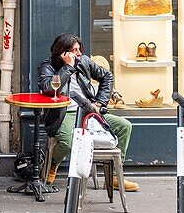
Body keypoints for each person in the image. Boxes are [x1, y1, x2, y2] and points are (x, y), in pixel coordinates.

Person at [39, 33, 138, 192]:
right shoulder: (48, 66)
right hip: (64, 113)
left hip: (88, 109)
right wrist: (68, 68)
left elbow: (107, 76)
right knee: (68, 143)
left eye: (79, 49)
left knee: (124, 126)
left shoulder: (84, 61)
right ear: (62, 52)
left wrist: (99, 102)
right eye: (73, 50)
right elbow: (49, 89)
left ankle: (112, 177)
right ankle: (54, 163)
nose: (78, 53)